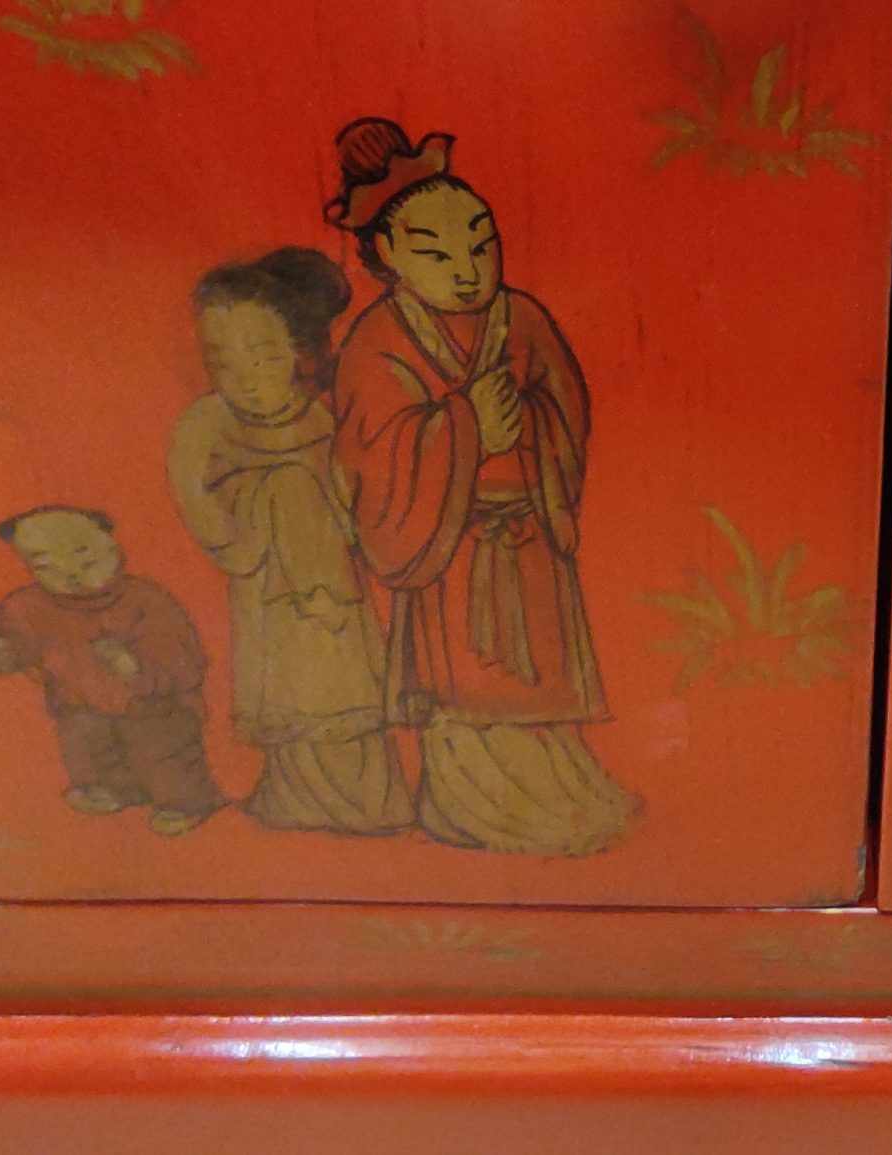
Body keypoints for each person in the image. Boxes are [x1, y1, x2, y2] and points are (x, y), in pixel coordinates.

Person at [321, 117, 640, 856]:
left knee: (538, 671)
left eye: (481, 244)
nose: (467, 269)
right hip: (449, 546)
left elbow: (567, 407)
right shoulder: (378, 339)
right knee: (463, 684)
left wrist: (529, 425)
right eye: (436, 253)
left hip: (528, 533)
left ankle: (557, 790)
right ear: (389, 255)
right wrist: (465, 429)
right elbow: (369, 448)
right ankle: (473, 806)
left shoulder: (520, 317)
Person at [166, 247, 413, 836]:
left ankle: (369, 802)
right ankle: (294, 796)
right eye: (223, 362)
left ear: (300, 354)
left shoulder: (321, 419)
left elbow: (350, 499)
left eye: (264, 356)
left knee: (345, 689)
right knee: (289, 691)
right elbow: (195, 497)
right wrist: (253, 525)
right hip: (267, 590)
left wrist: (332, 552)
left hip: (338, 595)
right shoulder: (206, 423)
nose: (245, 379)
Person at [0, 506, 226, 835]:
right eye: (45, 564)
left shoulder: (144, 599)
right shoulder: (31, 605)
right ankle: (116, 789)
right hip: (80, 701)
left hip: (151, 702)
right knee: (86, 746)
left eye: (83, 554)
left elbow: (176, 651)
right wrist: (1, 650)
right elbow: (20, 637)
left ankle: (187, 803)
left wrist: (131, 665)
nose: (69, 571)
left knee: (162, 752)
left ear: (110, 546)